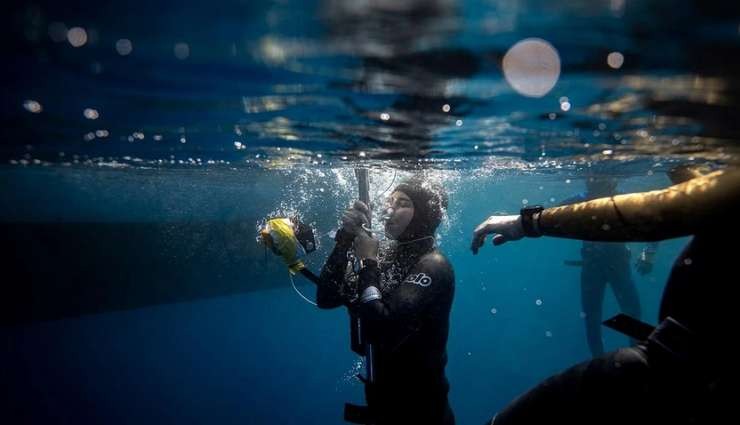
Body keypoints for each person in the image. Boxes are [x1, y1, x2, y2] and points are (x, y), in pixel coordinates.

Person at [471, 166, 739, 424]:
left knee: (624, 311)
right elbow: (699, 199)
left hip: (676, 363)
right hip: (683, 365)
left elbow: (672, 208)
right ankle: (601, 354)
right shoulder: (587, 197)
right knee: (596, 315)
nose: (596, 182)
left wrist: (529, 222)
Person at [318, 176, 455, 425]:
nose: (388, 209)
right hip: (382, 407)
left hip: (423, 414)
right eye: (389, 201)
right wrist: (345, 239)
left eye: (402, 203)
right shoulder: (384, 252)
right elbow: (326, 298)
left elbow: (383, 332)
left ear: (424, 213)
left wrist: (369, 263)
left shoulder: (434, 266)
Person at [559, 176, 657, 357]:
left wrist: (648, 254)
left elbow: (653, 221)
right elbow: (654, 222)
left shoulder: (584, 200)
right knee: (597, 316)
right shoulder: (583, 200)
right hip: (604, 266)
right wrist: (648, 254)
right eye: (595, 180)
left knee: (617, 314)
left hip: (605, 266)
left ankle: (635, 360)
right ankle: (609, 362)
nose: (597, 184)